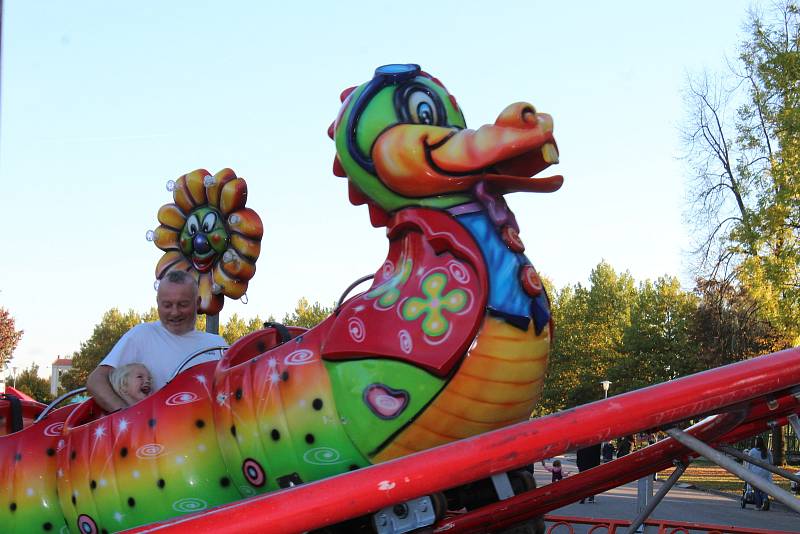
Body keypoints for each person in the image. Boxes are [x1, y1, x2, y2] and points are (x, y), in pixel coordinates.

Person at [87, 270, 226, 412]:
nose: (174, 312)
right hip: (154, 433)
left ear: (198, 302)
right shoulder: (142, 334)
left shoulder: (217, 345)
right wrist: (125, 415)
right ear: (157, 303)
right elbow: (96, 380)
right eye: (167, 305)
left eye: (183, 304)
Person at [745, 436, 773, 511]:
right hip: (765, 473)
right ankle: (765, 499)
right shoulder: (767, 451)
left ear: (756, 442)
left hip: (755, 473)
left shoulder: (752, 451)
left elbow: (748, 463)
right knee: (764, 488)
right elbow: (771, 462)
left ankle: (758, 506)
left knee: (756, 490)